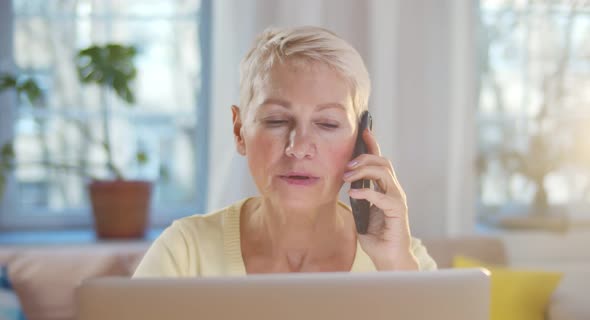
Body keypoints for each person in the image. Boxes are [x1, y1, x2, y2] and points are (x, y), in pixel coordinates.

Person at [133, 26, 436, 277]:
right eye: (276, 121)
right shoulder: (185, 253)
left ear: (360, 141)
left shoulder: (403, 258)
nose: (299, 148)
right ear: (240, 131)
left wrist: (396, 267)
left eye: (328, 124)